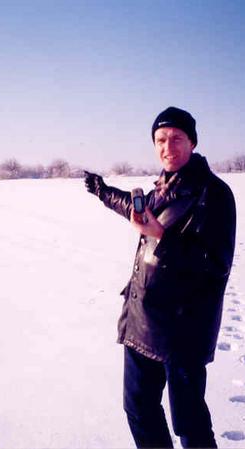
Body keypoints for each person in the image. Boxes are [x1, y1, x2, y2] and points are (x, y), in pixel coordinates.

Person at [84, 106, 236, 448]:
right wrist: (102, 190)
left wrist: (163, 238)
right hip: (142, 320)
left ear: (193, 143)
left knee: (189, 421)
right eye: (160, 139)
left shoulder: (213, 194)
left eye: (177, 139)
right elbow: (134, 207)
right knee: (138, 408)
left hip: (183, 329)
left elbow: (216, 263)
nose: (168, 147)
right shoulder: (161, 190)